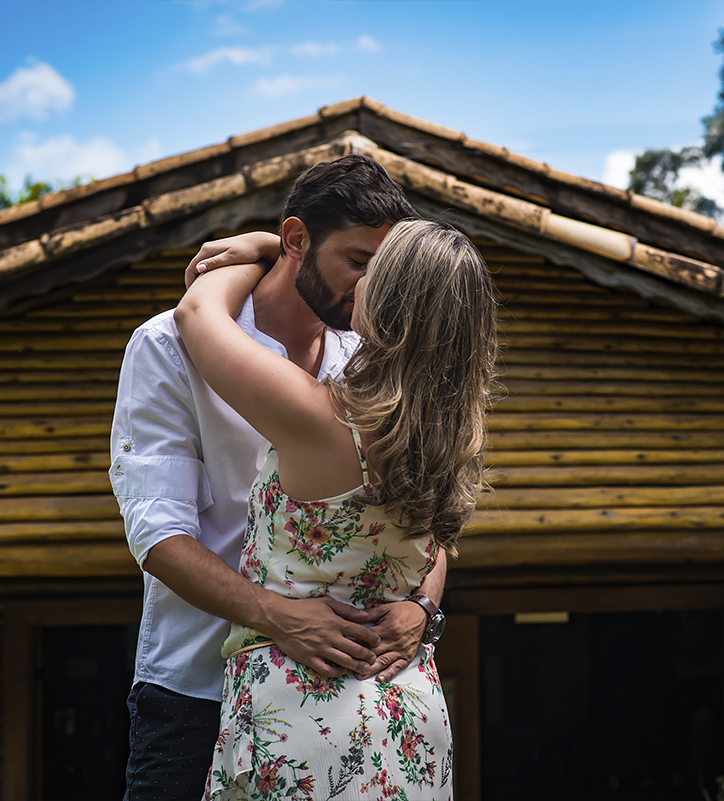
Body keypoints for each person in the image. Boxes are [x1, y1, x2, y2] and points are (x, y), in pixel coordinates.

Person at [109, 155, 446, 801]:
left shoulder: (374, 359)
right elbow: (159, 537)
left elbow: (430, 513)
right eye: (358, 261)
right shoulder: (167, 346)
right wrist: (281, 619)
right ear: (296, 239)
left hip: (360, 690)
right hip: (199, 688)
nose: (371, 285)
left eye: (384, 268)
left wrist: (423, 606)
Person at [174, 218, 499, 799]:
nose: (359, 280)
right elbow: (431, 551)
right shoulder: (450, 439)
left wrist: (265, 249)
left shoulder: (322, 420)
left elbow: (196, 313)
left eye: (376, 270)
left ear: (391, 304)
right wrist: (424, 606)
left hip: (307, 721)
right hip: (409, 713)